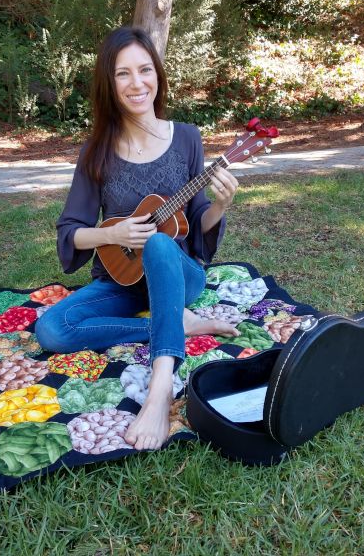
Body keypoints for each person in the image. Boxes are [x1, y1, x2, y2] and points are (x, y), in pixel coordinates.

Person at [35, 26, 241, 451]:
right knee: (52, 330)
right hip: (123, 279)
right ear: (109, 84)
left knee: (162, 243)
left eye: (145, 70)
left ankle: (161, 382)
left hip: (179, 274)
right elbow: (70, 231)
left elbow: (197, 220)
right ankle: (177, 324)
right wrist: (114, 231)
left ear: (158, 75)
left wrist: (220, 205)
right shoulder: (97, 151)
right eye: (123, 74)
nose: (136, 83)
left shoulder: (187, 137)